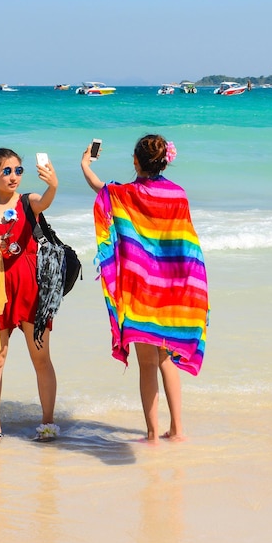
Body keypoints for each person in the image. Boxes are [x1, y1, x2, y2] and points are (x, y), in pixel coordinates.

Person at [81, 135, 209, 444]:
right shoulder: (178, 195)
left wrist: (85, 164)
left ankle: (152, 435)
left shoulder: (125, 194)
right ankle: (177, 430)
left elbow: (101, 189)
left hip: (140, 291)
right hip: (171, 290)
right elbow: (186, 244)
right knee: (166, 359)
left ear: (136, 162)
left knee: (147, 363)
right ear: (165, 161)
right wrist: (193, 288)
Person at [0, 147, 60, 442]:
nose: (14, 176)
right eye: (7, 171)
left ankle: (47, 422)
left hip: (32, 289)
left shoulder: (28, 202)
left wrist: (53, 184)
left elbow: (45, 200)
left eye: (18, 170)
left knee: (41, 358)